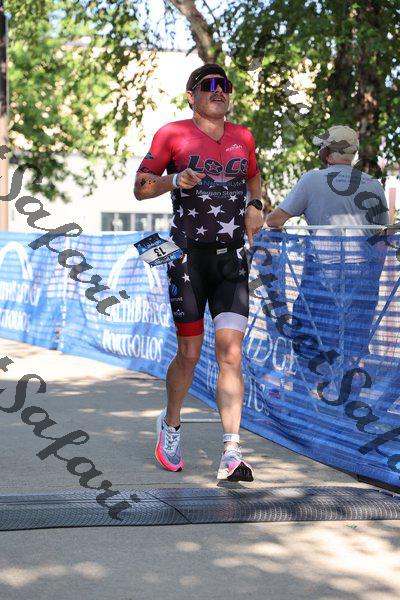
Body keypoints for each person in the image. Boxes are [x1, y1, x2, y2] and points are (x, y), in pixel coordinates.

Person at [134, 64, 264, 481]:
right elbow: (140, 187)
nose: (217, 90)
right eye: (207, 85)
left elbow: (254, 177)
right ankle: (171, 425)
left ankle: (232, 451)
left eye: (223, 85)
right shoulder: (172, 134)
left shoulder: (243, 137)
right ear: (191, 95)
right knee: (190, 354)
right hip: (186, 260)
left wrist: (256, 205)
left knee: (231, 353)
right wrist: (174, 179)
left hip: (231, 260)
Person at [266, 125, 389, 385]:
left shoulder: (312, 180)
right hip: (362, 275)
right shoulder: (373, 185)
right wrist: (371, 279)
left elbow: (275, 221)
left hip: (321, 274)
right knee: (354, 343)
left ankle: (308, 394)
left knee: (309, 336)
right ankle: (349, 394)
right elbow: (382, 239)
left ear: (327, 152)